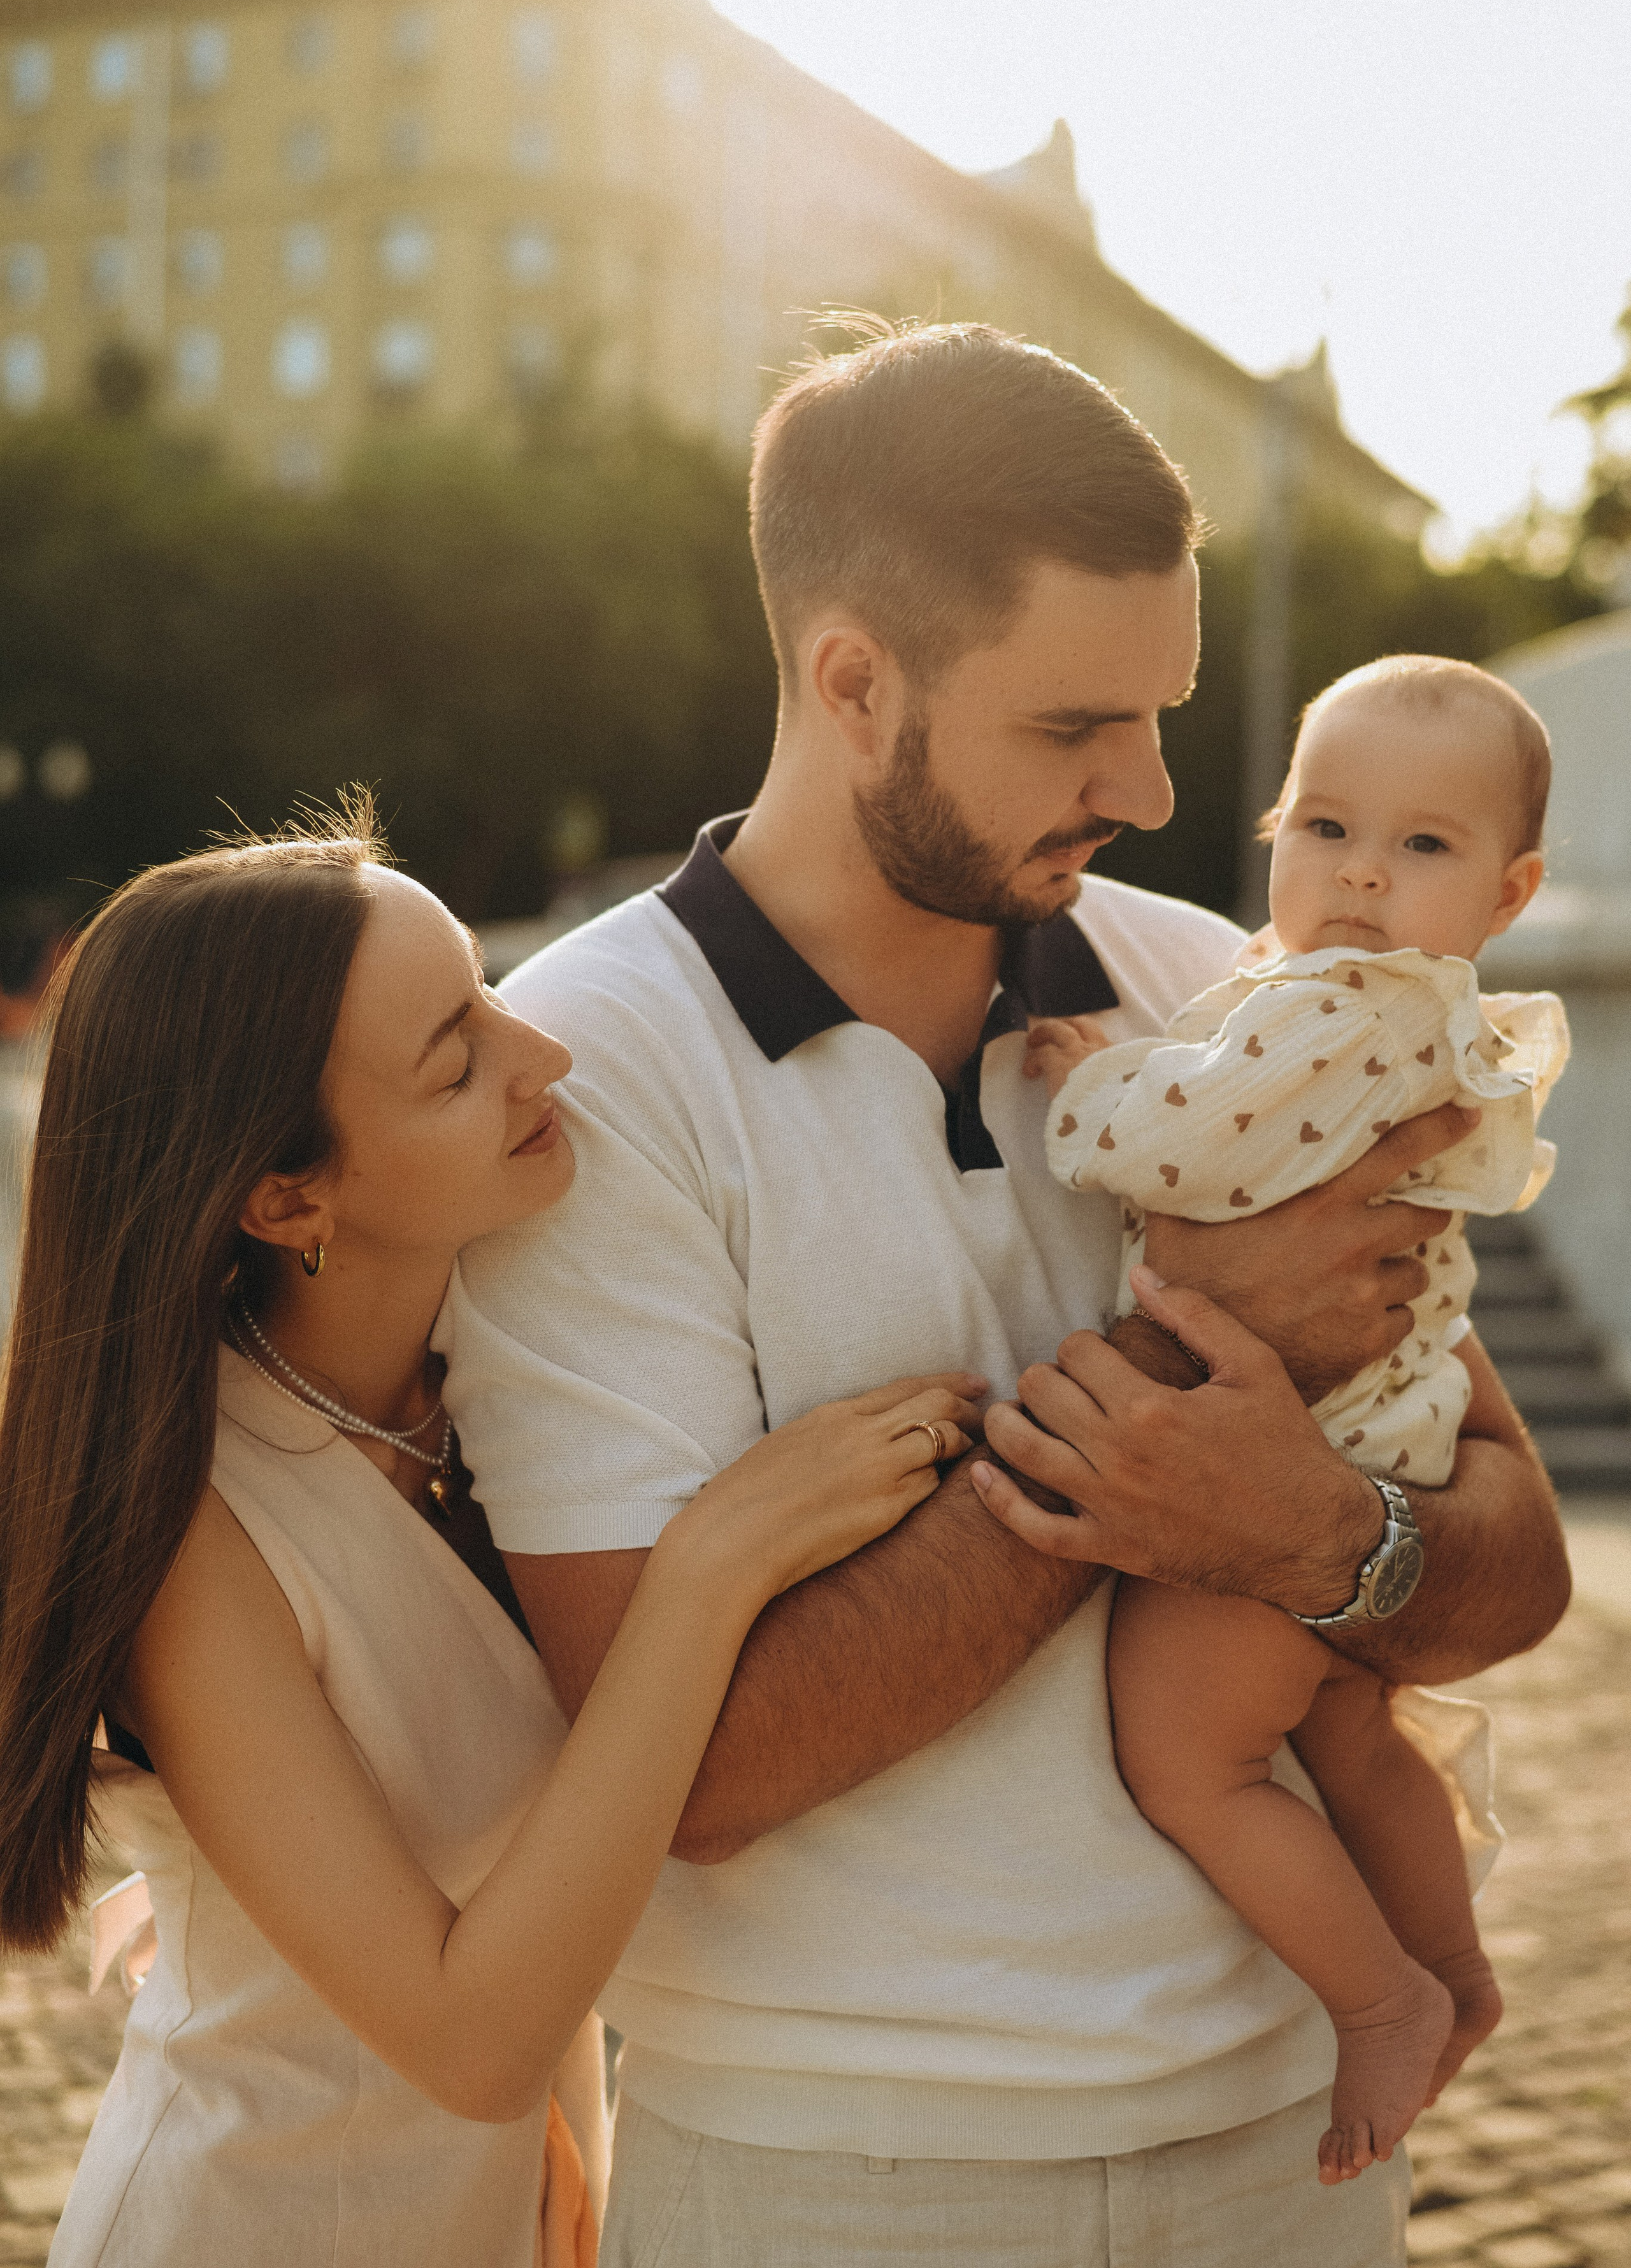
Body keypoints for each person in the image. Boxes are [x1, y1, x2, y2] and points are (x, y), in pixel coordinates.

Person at [438, 324, 1572, 2268]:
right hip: (838, 2173)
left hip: (1288, 2135)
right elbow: (688, 1770)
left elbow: (1521, 1559)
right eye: (1074, 727)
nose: (1148, 784)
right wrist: (1174, 1363)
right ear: (854, 682)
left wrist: (1316, 1526)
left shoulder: (1221, 982)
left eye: (1165, 712)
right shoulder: (584, 1080)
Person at [0, 810, 977, 2268]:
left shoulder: (503, 1372)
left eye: (491, 995)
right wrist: (705, 1576)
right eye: (457, 1057)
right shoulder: (194, 1532)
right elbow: (469, 2041)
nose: (547, 1057)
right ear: (287, 1196)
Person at [1022, 655, 1568, 2183]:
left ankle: (1379, 1996)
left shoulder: (1336, 1008)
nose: (1358, 875)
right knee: (1338, 1717)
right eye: (1323, 826)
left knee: (1186, 1755)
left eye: (1421, 847)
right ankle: (1452, 1969)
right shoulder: (1383, 997)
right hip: (1380, 1420)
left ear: (1509, 890)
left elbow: (1189, 1143)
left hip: (1307, 1442)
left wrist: (1090, 1086)